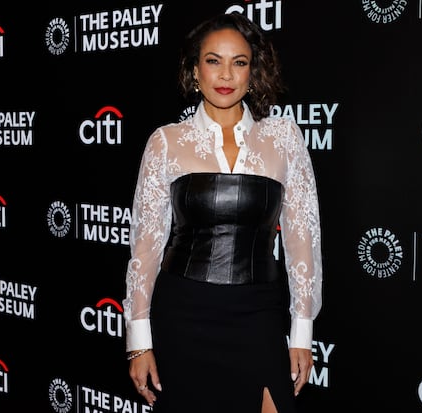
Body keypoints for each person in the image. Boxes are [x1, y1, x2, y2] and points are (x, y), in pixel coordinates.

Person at [122, 12, 323, 413]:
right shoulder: (166, 142)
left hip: (259, 313)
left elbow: (303, 241)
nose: (226, 74)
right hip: (183, 313)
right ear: (195, 70)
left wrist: (302, 331)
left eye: (239, 62)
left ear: (254, 72)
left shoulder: (283, 138)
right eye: (213, 60)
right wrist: (138, 342)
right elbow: (145, 249)